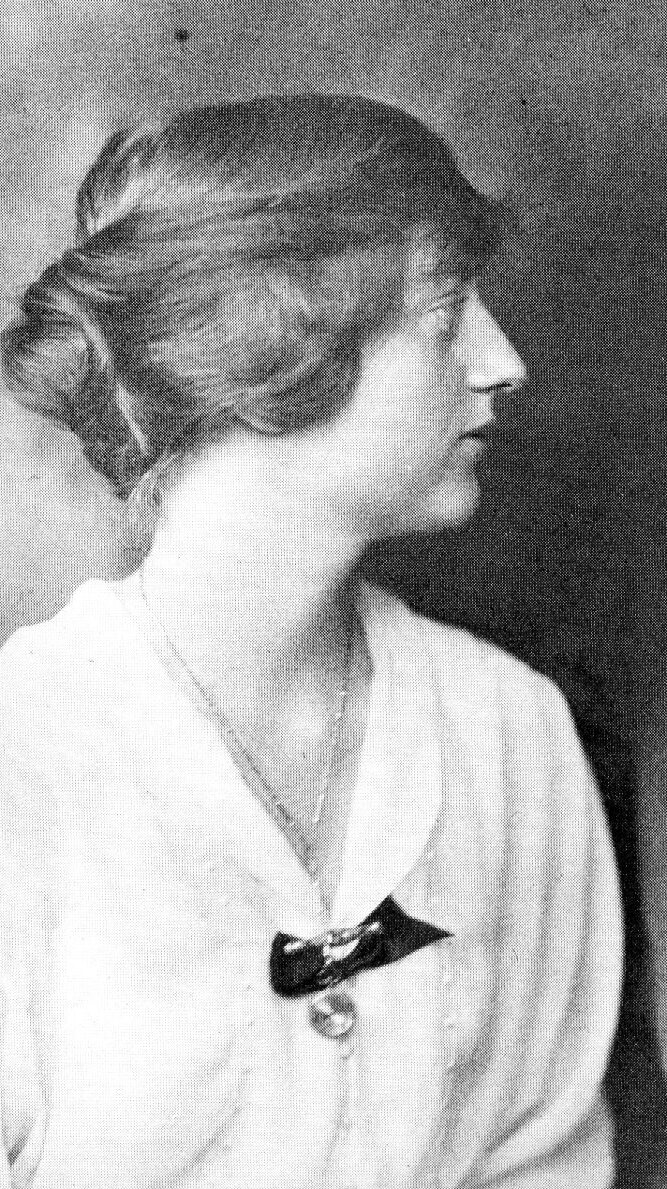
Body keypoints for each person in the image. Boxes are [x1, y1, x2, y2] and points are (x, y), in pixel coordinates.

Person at [0, 94, 622, 1188]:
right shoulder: (25, 755)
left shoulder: (510, 732)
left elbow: (548, 1160)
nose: (503, 360)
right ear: (265, 349)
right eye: (446, 311)